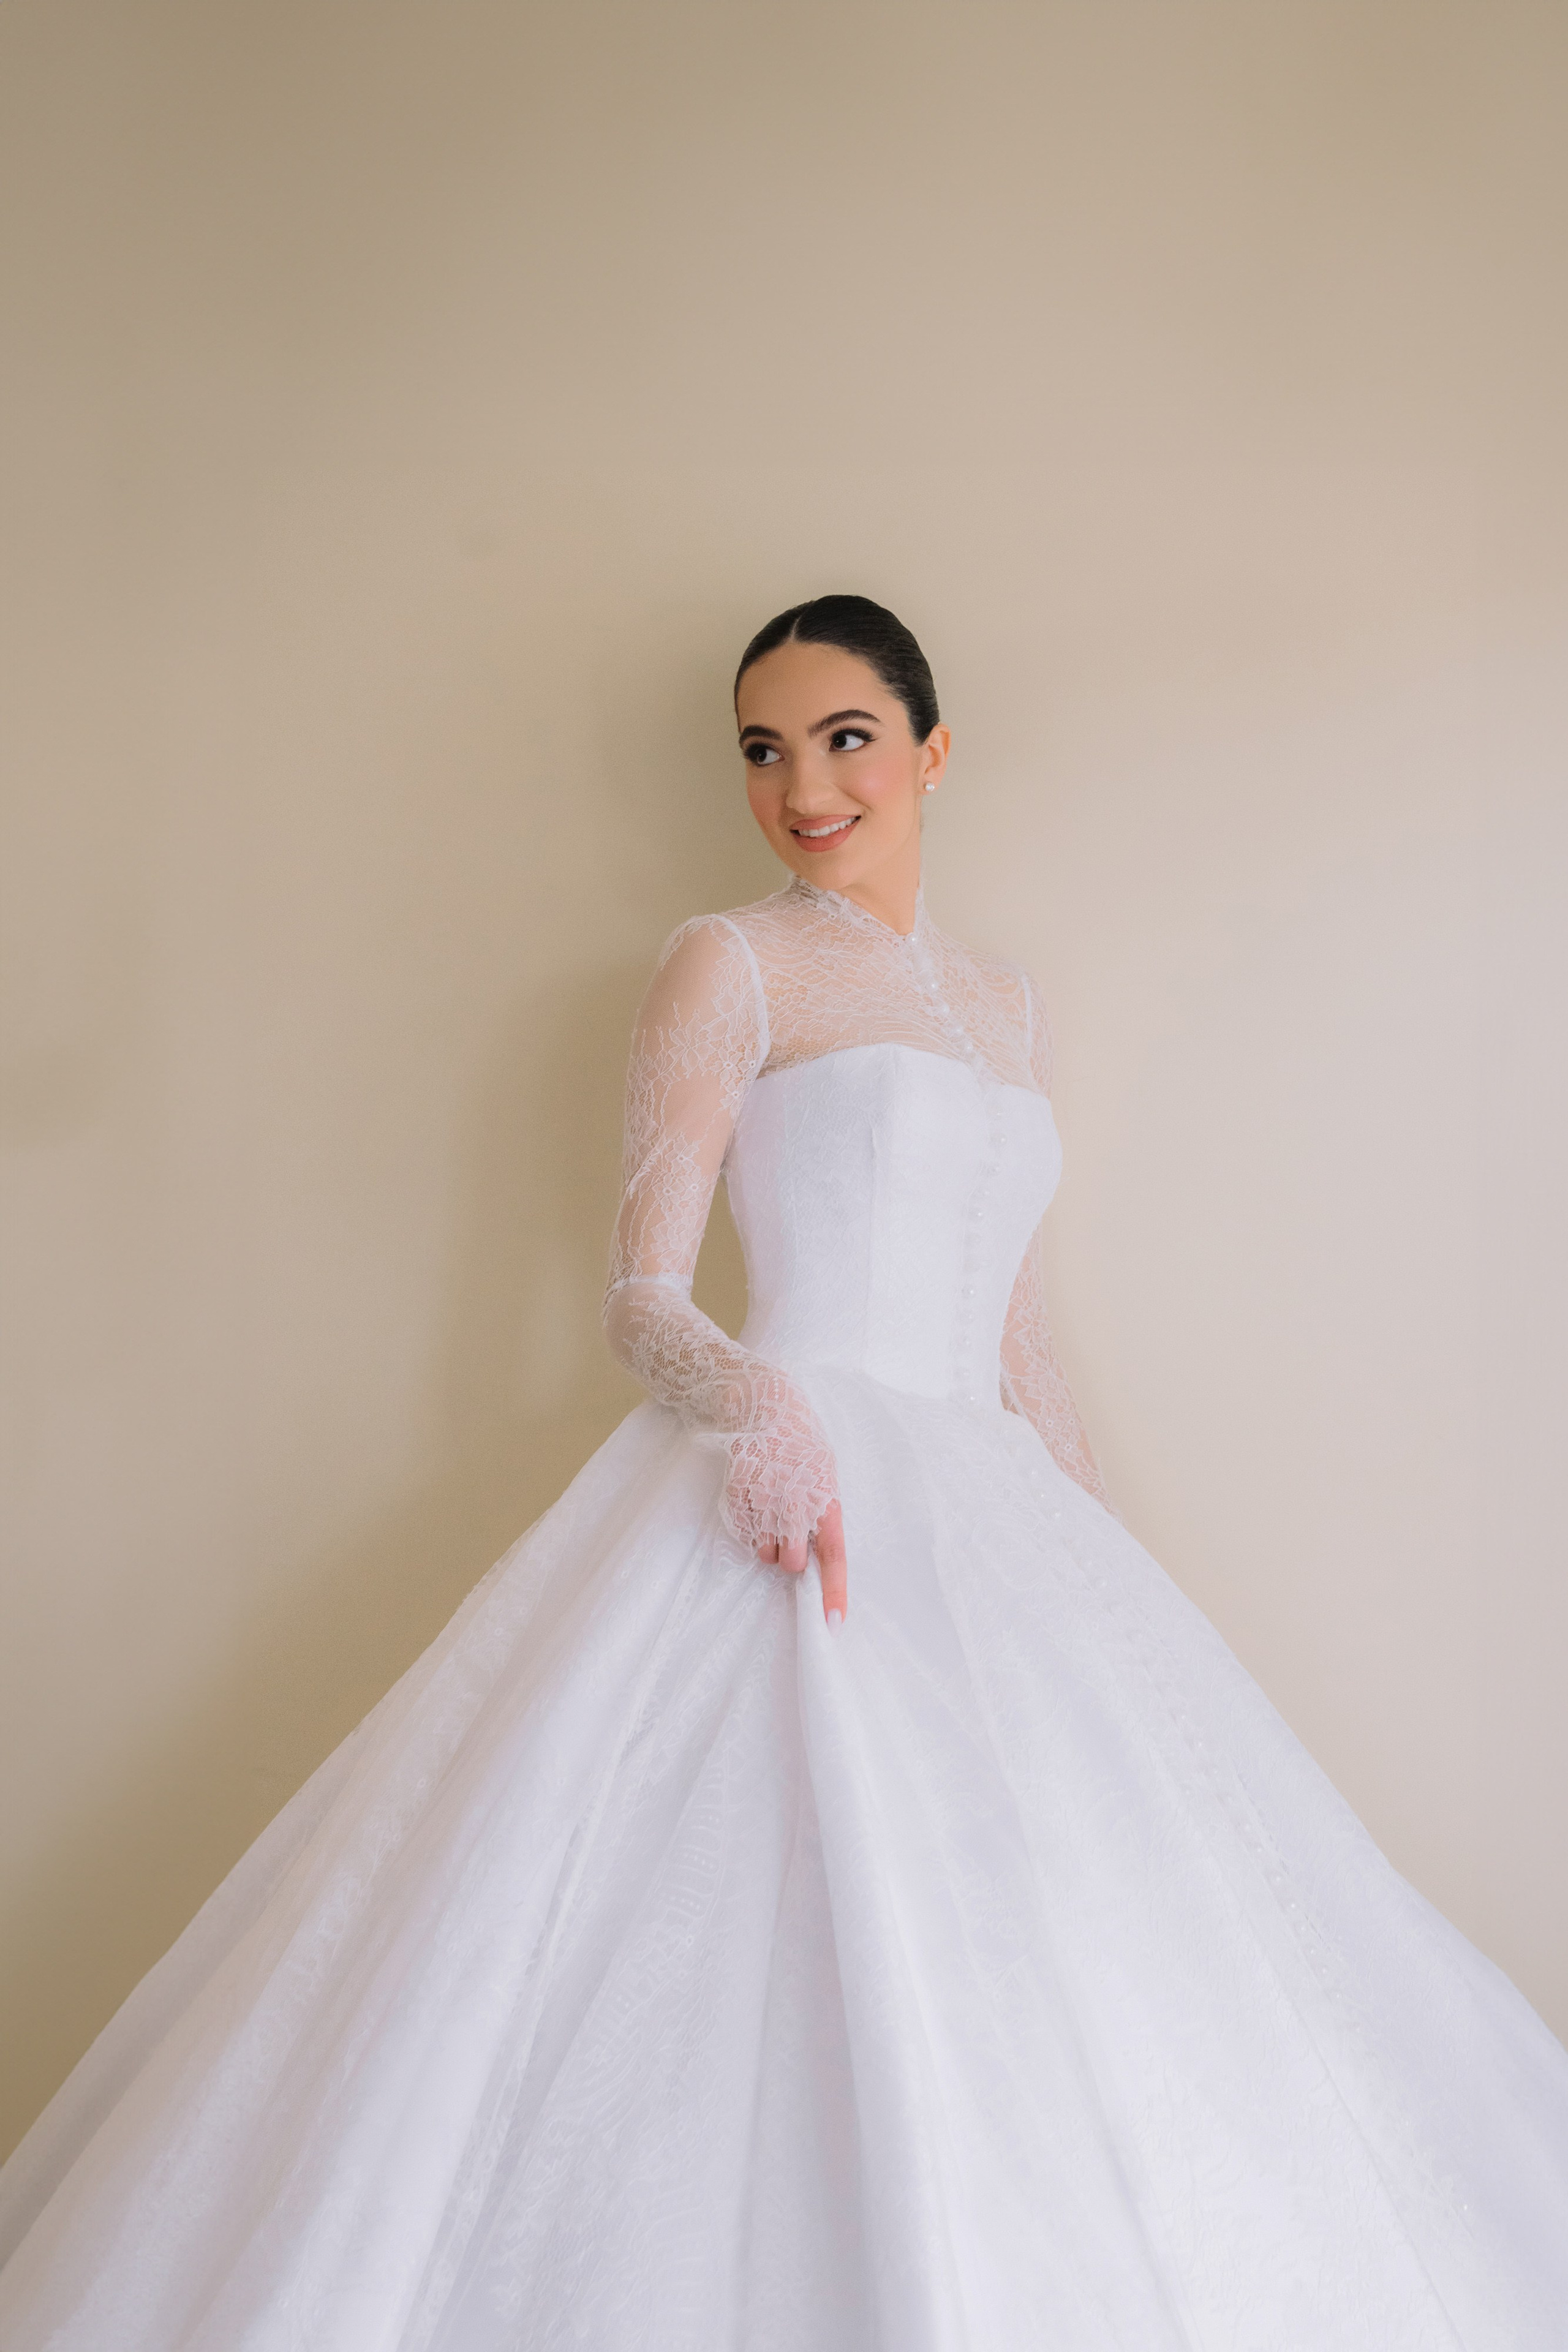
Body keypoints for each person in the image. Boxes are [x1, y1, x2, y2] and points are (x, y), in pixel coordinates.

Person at [0, 595, 1564, 2350]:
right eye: (764, 748)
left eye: (844, 739)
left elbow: (1020, 1334)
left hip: (992, 1511)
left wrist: (1112, 1568)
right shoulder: (727, 964)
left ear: (929, 751)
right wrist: (764, 1415)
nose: (803, 785)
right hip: (790, 1473)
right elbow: (639, 1295)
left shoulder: (1006, 1005)